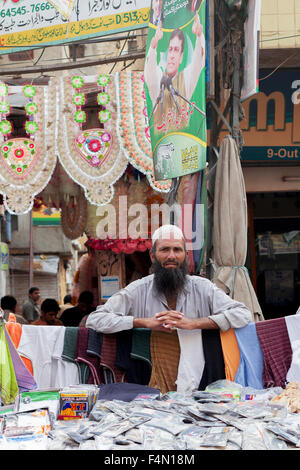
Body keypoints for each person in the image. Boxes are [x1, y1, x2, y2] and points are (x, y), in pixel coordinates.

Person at [86, 224, 252, 334]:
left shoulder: (203, 287)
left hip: (197, 377)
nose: (171, 256)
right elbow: (95, 320)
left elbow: (243, 314)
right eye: (165, 249)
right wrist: (142, 322)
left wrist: (195, 323)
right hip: (150, 377)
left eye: (177, 250)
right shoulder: (137, 290)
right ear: (152, 256)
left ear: (185, 255)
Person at [144, 11, 205, 133]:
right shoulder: (158, 80)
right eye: (170, 49)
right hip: (160, 145)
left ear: (181, 57)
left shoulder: (186, 79)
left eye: (176, 50)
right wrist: (153, 45)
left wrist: (199, 36)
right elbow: (149, 71)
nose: (171, 55)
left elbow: (199, 62)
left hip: (183, 142)